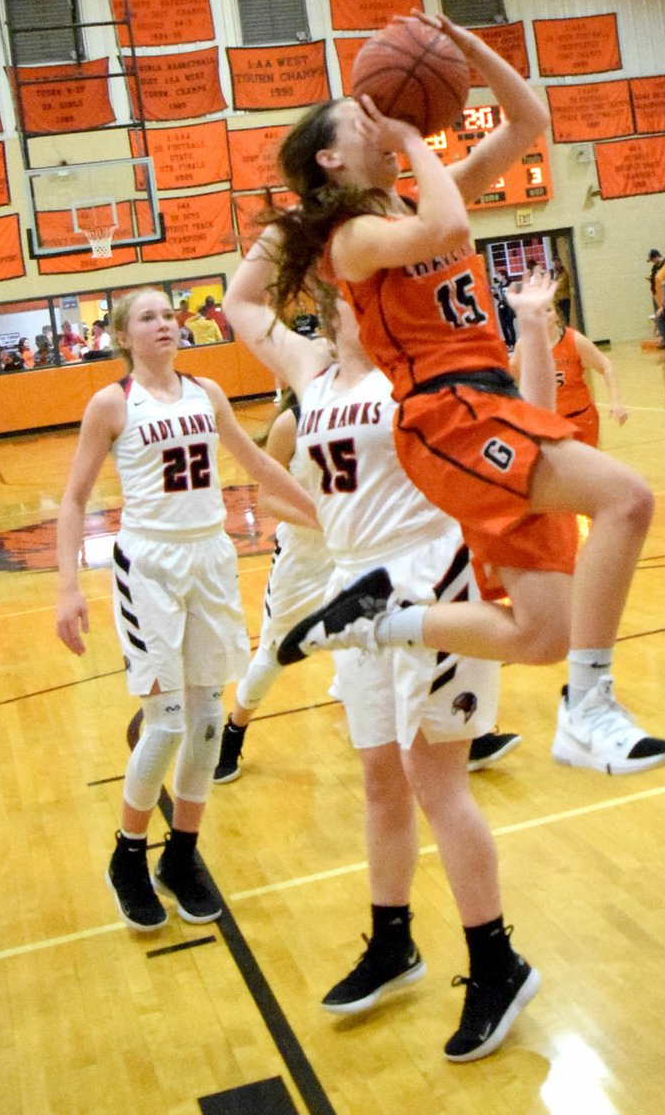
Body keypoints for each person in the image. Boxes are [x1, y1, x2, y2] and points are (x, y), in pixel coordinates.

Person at [223, 9, 665, 779]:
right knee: (627, 499)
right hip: (446, 414)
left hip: (489, 402)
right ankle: (590, 706)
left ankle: (381, 619)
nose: (380, 116)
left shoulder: (411, 203)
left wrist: (465, 51)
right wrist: (408, 141)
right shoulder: (353, 239)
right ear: (331, 157)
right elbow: (448, 226)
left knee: (543, 631)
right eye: (360, 114)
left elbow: (530, 119)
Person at [219, 278, 534, 1062]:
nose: (342, 294)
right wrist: (297, 216)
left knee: (438, 783)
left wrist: (529, 329)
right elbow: (240, 301)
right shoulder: (313, 373)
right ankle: (392, 939)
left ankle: (498, 961)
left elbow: (523, 421)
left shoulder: (423, 369)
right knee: (379, 778)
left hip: (429, 578)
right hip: (349, 587)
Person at [55, 287, 317, 934]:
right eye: (149, 317)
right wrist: (67, 587)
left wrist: (323, 511)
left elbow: (254, 460)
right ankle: (127, 856)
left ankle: (184, 856)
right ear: (124, 336)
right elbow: (72, 500)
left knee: (204, 721)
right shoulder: (112, 403)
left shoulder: (207, 393)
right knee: (165, 722)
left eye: (169, 315)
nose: (165, 324)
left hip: (210, 558)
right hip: (150, 565)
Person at [214, 393, 521, 785]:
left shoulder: (374, 411)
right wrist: (330, 523)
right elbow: (270, 500)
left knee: (413, 629)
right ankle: (234, 731)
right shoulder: (291, 423)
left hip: (366, 553)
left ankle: (464, 734)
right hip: (305, 560)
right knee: (276, 652)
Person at [509, 303, 627, 447]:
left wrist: (615, 401)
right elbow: (509, 375)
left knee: (584, 467)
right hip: (546, 422)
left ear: (557, 315)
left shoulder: (574, 340)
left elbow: (606, 366)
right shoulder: (524, 345)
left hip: (580, 419)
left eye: (548, 310)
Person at [551, 255, 572, 326]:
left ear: (560, 263)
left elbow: (559, 287)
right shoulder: (556, 275)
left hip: (564, 300)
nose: (555, 265)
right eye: (554, 263)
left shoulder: (564, 274)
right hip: (557, 302)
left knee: (565, 320)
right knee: (559, 322)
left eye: (556, 263)